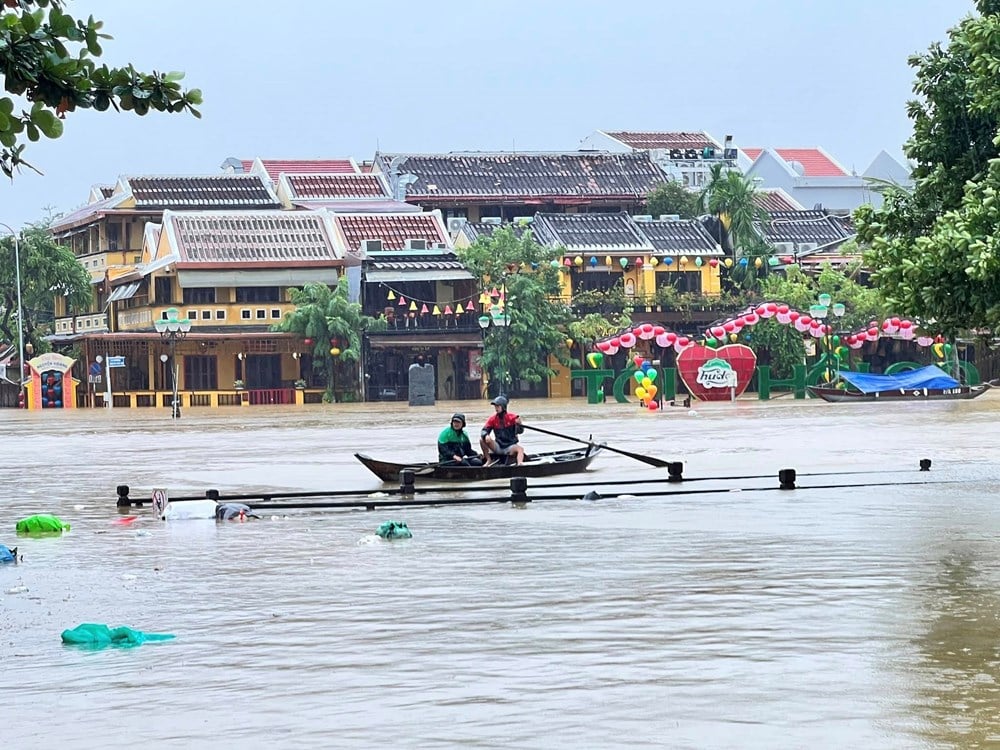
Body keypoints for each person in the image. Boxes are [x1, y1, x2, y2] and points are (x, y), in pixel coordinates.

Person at [480, 395, 525, 466]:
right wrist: (486, 435)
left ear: (503, 407)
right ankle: (489, 460)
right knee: (482, 440)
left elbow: (520, 431)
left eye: (498, 406)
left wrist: (519, 424)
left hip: (510, 446)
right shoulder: (492, 419)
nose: (496, 408)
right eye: (495, 406)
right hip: (498, 446)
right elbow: (484, 430)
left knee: (520, 449)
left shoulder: (513, 417)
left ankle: (520, 464)